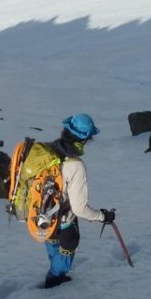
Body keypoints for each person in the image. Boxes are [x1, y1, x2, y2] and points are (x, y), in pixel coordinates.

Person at [42, 113, 114, 288]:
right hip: (64, 219)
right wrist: (102, 216)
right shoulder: (75, 165)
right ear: (84, 139)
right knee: (68, 244)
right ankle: (54, 278)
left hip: (41, 215)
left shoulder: (48, 150)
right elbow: (79, 209)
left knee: (52, 240)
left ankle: (54, 270)